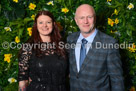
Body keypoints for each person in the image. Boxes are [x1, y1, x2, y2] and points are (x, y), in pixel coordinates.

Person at [67, 4, 124, 91]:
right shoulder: (70, 39)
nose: (85, 21)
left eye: (89, 17)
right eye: (81, 18)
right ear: (76, 20)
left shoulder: (109, 43)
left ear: (95, 19)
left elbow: (117, 80)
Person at [18, 10, 68, 91]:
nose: (44, 25)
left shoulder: (63, 46)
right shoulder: (28, 47)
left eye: (48, 22)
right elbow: (23, 80)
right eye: (41, 22)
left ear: (53, 24)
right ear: (36, 25)